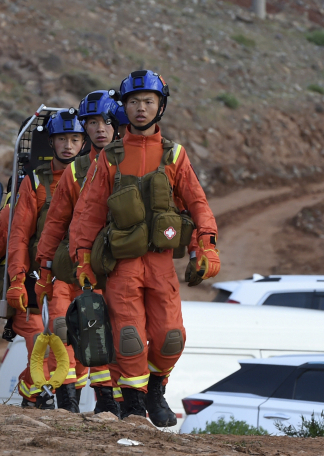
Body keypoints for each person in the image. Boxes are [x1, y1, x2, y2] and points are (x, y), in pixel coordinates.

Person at [70, 70, 220, 427]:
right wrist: (82, 260)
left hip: (161, 263)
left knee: (171, 337)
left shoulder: (175, 155)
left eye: (148, 102)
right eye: (134, 102)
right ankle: (136, 407)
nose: (140, 109)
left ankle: (156, 388)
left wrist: (208, 246)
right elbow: (87, 213)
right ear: (124, 107)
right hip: (121, 266)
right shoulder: (108, 158)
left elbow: (198, 204)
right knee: (129, 338)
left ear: (160, 106)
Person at [33, 91, 122, 415]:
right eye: (93, 123)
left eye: (107, 122)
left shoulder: (131, 165)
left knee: (110, 333)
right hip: (67, 268)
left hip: (109, 268)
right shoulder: (63, 177)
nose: (100, 129)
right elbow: (49, 227)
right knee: (62, 330)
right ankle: (66, 402)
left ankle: (112, 402)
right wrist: (35, 273)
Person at [5, 108, 87, 410]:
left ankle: (30, 391)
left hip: (85, 270)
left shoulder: (93, 176)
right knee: (60, 335)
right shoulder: (36, 182)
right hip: (48, 274)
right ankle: (67, 403)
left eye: (75, 139)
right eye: (62, 138)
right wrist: (17, 278)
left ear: (84, 142)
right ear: (51, 143)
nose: (68, 145)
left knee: (85, 341)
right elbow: (19, 235)